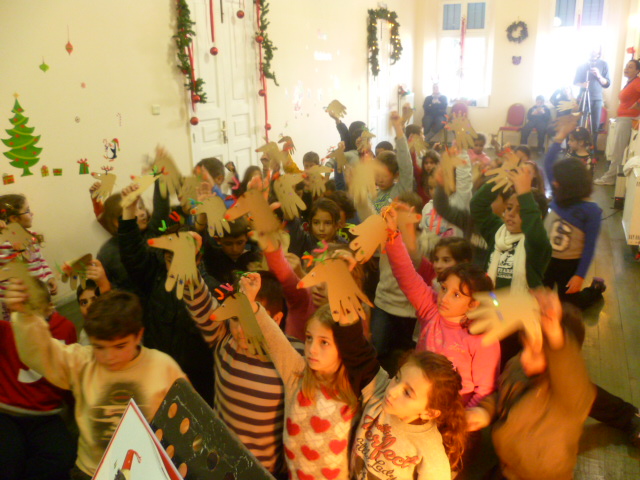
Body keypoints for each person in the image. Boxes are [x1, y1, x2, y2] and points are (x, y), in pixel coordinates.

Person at [6, 287, 185, 480]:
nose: (109, 357)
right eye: (99, 347)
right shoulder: (83, 361)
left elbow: (185, 425)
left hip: (146, 470)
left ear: (138, 335)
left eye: (120, 346)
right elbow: (41, 352)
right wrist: (25, 316)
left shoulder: (162, 366)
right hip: (91, 471)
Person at [182, 270, 304, 478]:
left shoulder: (292, 356)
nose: (239, 330)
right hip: (216, 462)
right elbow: (199, 301)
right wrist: (187, 267)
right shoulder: (225, 340)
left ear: (275, 319)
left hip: (260, 472)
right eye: (235, 318)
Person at [467, 290, 595, 480]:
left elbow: (569, 368)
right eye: (524, 347)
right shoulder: (519, 366)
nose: (524, 357)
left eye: (535, 351)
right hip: (508, 466)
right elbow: (504, 393)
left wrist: (555, 334)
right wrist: (485, 411)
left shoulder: (570, 393)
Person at [243, 273, 361, 480]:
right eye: (309, 338)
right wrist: (251, 304)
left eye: (324, 342)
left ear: (344, 347)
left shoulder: (356, 388)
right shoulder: (297, 374)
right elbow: (273, 337)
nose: (312, 349)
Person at [384, 209, 500, 408]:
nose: (444, 298)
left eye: (456, 295)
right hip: (416, 405)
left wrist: (462, 418)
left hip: (453, 413)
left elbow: (485, 389)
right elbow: (405, 274)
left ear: (474, 303)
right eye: (444, 288)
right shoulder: (431, 310)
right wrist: (392, 235)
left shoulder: (483, 336)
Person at [118, 183, 216, 405]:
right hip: (155, 378)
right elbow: (131, 253)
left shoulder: (211, 291)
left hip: (197, 386)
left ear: (198, 259)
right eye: (172, 258)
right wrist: (129, 210)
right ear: (164, 258)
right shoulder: (155, 277)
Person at [335, 315, 466, 479]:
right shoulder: (379, 391)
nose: (392, 391)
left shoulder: (430, 452)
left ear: (429, 412)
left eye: (407, 393)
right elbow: (359, 356)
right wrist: (347, 322)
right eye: (397, 377)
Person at [0, 282, 77, 480]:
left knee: (63, 457)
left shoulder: (65, 329)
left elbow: (69, 378)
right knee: (9, 460)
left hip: (44, 414)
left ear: (49, 307)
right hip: (6, 412)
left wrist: (75, 411)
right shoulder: (6, 331)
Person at [543, 123, 605, 310]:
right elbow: (548, 164)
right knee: (540, 299)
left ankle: (595, 289)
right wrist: (560, 136)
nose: (553, 182)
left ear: (570, 184)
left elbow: (589, 246)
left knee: (570, 305)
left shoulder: (591, 211)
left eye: (558, 180)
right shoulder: (560, 194)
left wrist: (579, 275)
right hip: (547, 259)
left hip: (569, 265)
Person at [0, 194, 57, 297]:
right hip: (20, 300)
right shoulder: (4, 244)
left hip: (42, 294)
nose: (32, 213)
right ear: (14, 218)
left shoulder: (31, 236)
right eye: (27, 210)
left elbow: (40, 259)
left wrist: (49, 277)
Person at [594, 59, 640, 185]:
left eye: (631, 67)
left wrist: (637, 104)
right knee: (617, 151)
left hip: (627, 119)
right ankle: (612, 177)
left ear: (637, 71)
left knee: (617, 151)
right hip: (623, 118)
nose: (627, 69)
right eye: (627, 66)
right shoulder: (630, 82)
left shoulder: (637, 82)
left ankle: (609, 178)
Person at [574, 45, 611, 145]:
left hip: (597, 99)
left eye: (595, 48)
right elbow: (575, 82)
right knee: (580, 124)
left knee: (595, 126)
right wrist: (582, 84)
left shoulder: (604, 64)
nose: (593, 50)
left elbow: (607, 84)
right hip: (583, 98)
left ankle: (592, 148)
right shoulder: (582, 65)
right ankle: (578, 147)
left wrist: (599, 75)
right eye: (591, 48)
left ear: (599, 51)